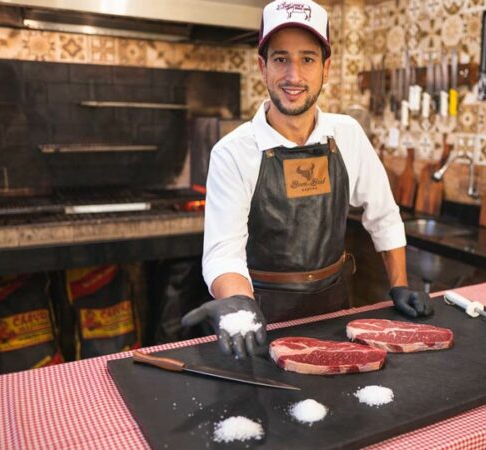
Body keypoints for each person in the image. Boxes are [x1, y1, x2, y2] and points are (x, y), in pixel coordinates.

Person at [181, 0, 432, 358]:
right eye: (281, 59)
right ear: (262, 67)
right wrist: (238, 304)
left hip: (336, 308)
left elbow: (384, 215)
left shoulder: (347, 135)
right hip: (261, 321)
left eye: (308, 59)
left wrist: (400, 285)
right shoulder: (233, 152)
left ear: (326, 68)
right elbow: (223, 253)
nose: (294, 76)